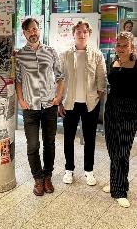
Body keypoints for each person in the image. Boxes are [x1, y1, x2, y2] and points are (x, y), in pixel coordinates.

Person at [15, 17, 64, 196]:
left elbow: (60, 76)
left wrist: (58, 97)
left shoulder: (51, 51)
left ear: (39, 29)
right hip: (30, 107)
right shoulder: (20, 54)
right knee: (33, 145)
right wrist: (21, 100)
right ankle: (37, 179)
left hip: (49, 105)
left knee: (49, 143)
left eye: (35, 29)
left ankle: (48, 176)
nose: (33, 32)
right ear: (24, 33)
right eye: (29, 30)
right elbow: (18, 80)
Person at [59, 21, 106, 186]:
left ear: (89, 34)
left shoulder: (97, 54)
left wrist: (97, 96)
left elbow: (102, 79)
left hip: (90, 104)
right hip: (70, 103)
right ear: (73, 33)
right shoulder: (65, 54)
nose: (82, 34)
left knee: (90, 138)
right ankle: (69, 169)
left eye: (85, 31)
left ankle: (89, 171)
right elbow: (59, 78)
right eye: (78, 31)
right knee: (68, 138)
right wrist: (59, 102)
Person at [103, 32, 137, 208]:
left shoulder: (136, 63)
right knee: (112, 148)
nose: (121, 48)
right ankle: (117, 181)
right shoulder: (113, 62)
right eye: (118, 45)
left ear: (132, 46)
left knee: (122, 150)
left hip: (130, 111)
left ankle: (120, 190)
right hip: (111, 109)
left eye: (125, 45)